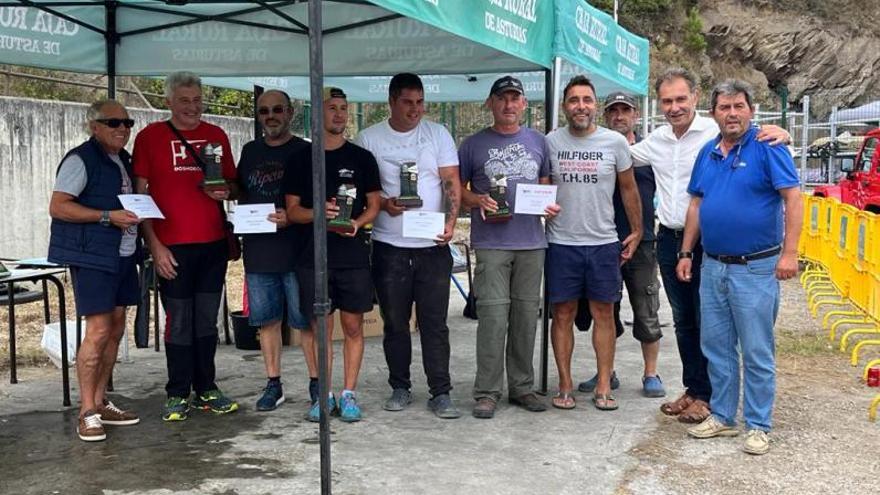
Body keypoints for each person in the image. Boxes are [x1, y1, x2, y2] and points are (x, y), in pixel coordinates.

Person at [629, 68, 791, 423]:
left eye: (681, 99)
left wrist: (786, 132)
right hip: (673, 241)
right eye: (667, 101)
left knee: (714, 325)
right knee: (686, 322)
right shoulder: (658, 139)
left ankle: (717, 400)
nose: (674, 107)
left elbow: (781, 177)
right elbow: (621, 155)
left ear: (697, 99)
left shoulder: (716, 132)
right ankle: (696, 389)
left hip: (711, 244)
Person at [676, 79, 802, 455]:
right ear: (713, 113)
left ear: (751, 110)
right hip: (712, 266)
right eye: (724, 107)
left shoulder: (769, 146)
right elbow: (697, 205)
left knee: (757, 349)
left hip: (756, 268)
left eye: (739, 106)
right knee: (716, 346)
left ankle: (759, 424)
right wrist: (685, 253)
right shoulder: (707, 152)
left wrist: (790, 253)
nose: (732, 114)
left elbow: (793, 199)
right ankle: (723, 416)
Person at [354, 73, 463, 419]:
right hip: (390, 246)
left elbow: (451, 182)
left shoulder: (437, 134)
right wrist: (385, 204)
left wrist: (449, 223)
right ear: (391, 102)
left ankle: (440, 391)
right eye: (407, 102)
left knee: (435, 323)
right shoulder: (369, 139)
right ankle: (399, 386)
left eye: (419, 102)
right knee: (395, 323)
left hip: (432, 245)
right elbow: (363, 192)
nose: (415, 109)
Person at [133, 71, 240, 422]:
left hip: (211, 246)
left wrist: (225, 191)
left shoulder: (217, 135)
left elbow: (234, 185)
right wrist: (155, 246)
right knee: (178, 321)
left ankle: (207, 388)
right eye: (184, 101)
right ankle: (178, 392)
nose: (192, 107)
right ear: (169, 102)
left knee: (206, 320)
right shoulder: (150, 137)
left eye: (197, 100)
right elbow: (140, 197)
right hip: (171, 247)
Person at [458, 75, 560, 419]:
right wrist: (477, 199)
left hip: (532, 243)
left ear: (524, 104)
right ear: (490, 103)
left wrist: (549, 205)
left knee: (525, 319)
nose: (508, 105)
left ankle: (522, 387)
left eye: (515, 98)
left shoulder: (539, 142)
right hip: (491, 243)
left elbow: (546, 187)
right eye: (502, 98)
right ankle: (487, 391)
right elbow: (458, 192)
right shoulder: (473, 145)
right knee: (493, 317)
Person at [545, 75, 642, 411]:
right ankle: (566, 385)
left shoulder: (614, 142)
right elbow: (542, 187)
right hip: (561, 242)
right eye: (574, 100)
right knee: (563, 314)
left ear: (595, 106)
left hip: (603, 242)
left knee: (605, 313)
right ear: (564, 107)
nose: (581, 106)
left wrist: (638, 229)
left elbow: (628, 188)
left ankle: (603, 385)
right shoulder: (551, 142)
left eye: (586, 100)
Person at [285, 87, 381, 423]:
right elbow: (292, 212)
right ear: (318, 114)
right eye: (331, 108)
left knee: (353, 327)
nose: (339, 114)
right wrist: (319, 215)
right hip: (313, 257)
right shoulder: (301, 159)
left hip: (352, 255)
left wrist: (357, 222)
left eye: (343, 108)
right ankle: (323, 394)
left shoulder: (362, 158)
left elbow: (375, 205)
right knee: (319, 329)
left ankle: (349, 394)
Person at [48, 99, 141, 442]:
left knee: (116, 330)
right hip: (93, 257)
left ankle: (101, 401)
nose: (122, 129)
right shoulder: (80, 159)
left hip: (124, 254)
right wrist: (106, 216)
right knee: (99, 331)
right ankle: (86, 411)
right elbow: (58, 206)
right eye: (113, 122)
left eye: (128, 123)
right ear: (94, 126)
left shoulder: (124, 160)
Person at [575, 92, 665, 399]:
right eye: (613, 111)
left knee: (646, 307)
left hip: (642, 243)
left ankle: (651, 373)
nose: (618, 116)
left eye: (624, 110)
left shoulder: (649, 151)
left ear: (636, 114)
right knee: (604, 311)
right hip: (603, 242)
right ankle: (606, 373)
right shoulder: (598, 150)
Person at [236, 89, 310, 412]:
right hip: (259, 250)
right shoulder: (249, 150)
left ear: (290, 112)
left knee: (306, 322)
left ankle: (317, 385)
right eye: (264, 111)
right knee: (267, 322)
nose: (271, 116)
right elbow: (241, 191)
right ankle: (273, 384)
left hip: (298, 251)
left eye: (277, 109)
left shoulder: (306, 151)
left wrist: (292, 218)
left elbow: (317, 201)